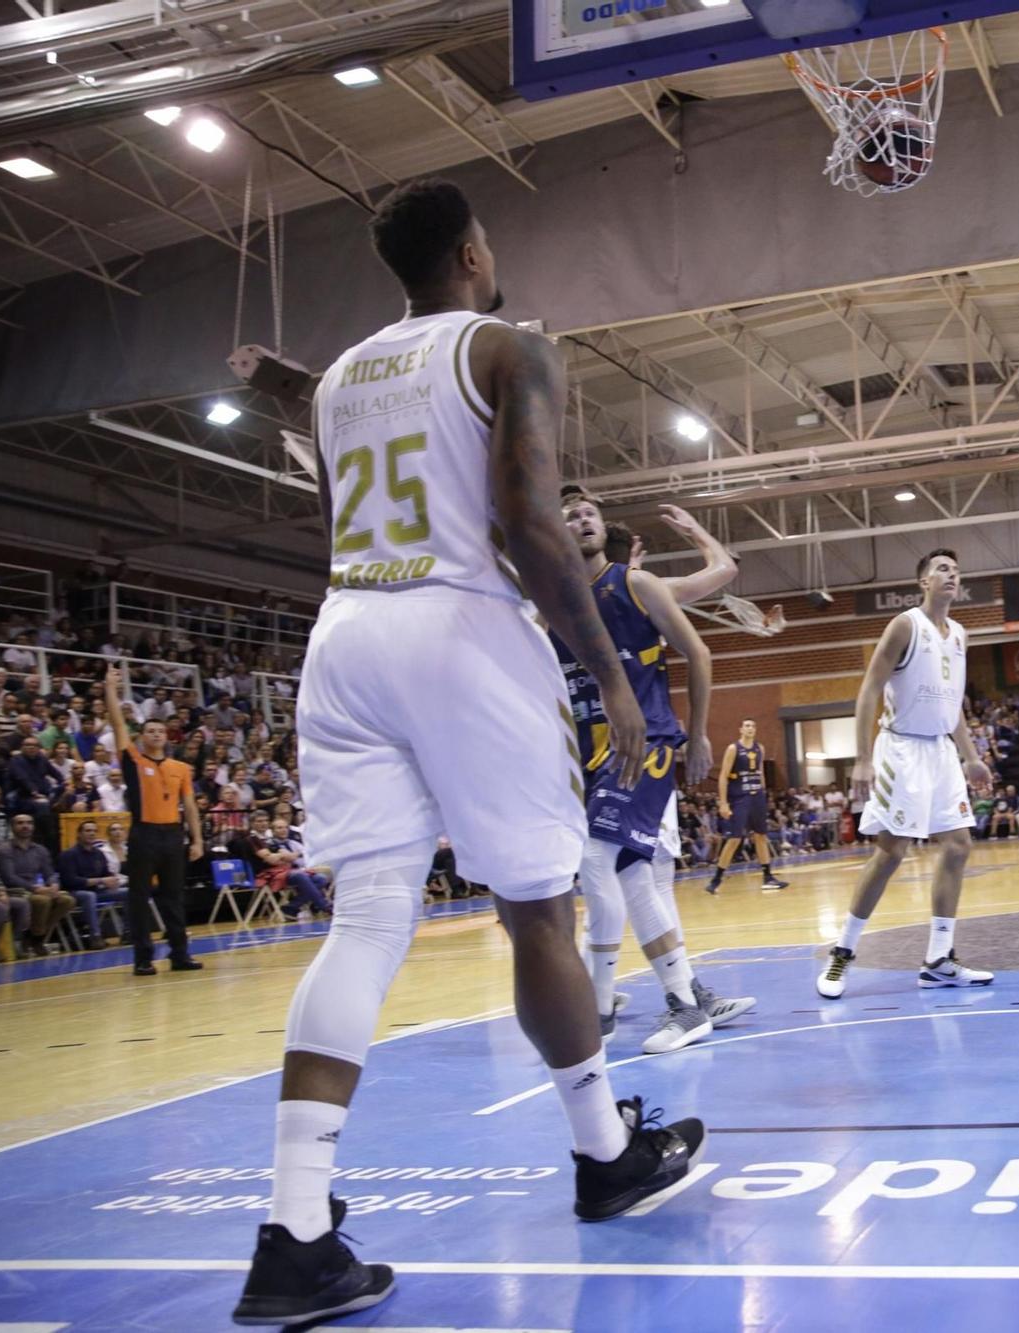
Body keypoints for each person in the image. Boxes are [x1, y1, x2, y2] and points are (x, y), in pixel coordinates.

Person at [231, 179, 704, 1328]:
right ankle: (603, 1154)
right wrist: (602, 672)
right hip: (461, 633)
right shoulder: (508, 349)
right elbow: (533, 529)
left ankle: (296, 1235)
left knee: (366, 920)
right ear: (475, 252)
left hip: (346, 636)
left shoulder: (343, 377)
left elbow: (367, 473)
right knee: (537, 911)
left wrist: (276, 379)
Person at [552, 489, 753, 1058]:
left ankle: (600, 1007)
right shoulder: (551, 604)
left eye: (591, 512)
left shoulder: (637, 585)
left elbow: (716, 595)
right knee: (637, 878)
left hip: (647, 743)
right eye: (571, 515)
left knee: (600, 862)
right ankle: (686, 997)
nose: (584, 519)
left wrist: (700, 733)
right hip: (590, 756)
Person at [816, 550, 995, 999]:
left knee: (958, 845)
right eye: (941, 569)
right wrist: (861, 758)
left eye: (956, 569)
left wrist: (971, 756)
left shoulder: (959, 635)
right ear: (923, 582)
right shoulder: (905, 625)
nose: (951, 574)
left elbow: (952, 706)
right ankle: (843, 951)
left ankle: (938, 959)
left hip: (940, 752)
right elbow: (869, 690)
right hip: (902, 747)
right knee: (892, 851)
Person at [103, 667, 206, 970]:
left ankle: (179, 954)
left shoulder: (181, 768)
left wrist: (197, 839)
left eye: (160, 731)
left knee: (174, 896)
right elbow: (117, 722)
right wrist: (111, 689)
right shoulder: (133, 761)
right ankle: (143, 958)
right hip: (144, 834)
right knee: (139, 896)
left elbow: (189, 805)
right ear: (142, 736)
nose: (156, 734)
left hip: (173, 835)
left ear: (167, 736)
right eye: (150, 731)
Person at [705, 720, 788, 893]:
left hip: (757, 796)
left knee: (760, 836)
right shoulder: (733, 749)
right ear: (741, 729)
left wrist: (764, 795)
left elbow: (761, 773)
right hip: (739, 797)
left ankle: (768, 877)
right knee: (735, 838)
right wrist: (723, 803)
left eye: (753, 726)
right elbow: (723, 776)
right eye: (747, 726)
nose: (750, 728)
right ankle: (716, 879)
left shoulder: (760, 748)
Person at [0, 814, 74, 956]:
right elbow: (9, 877)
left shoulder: (40, 850)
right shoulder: (4, 850)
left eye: (29, 823)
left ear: (33, 826)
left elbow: (49, 872)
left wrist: (53, 884)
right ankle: (35, 939)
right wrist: (36, 888)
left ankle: (36, 937)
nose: (25, 826)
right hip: (14, 890)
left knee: (67, 900)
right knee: (42, 901)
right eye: (20, 823)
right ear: (12, 827)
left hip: (37, 889)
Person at [58, 817, 128, 948]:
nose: (92, 833)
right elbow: (70, 881)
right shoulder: (68, 854)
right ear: (79, 834)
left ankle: (128, 932)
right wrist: (100, 880)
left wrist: (112, 880)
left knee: (128, 892)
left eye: (94, 831)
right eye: (88, 831)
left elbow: (105, 874)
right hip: (73, 893)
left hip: (97, 891)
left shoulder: (98, 854)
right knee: (88, 896)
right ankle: (95, 936)